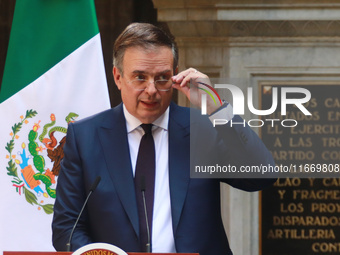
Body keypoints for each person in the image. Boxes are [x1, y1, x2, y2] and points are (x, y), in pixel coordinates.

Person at [52, 22, 276, 255]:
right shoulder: (86, 137)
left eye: (161, 78)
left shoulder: (203, 128)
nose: (151, 90)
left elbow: (261, 175)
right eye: (140, 77)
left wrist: (216, 108)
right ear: (118, 77)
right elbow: (67, 227)